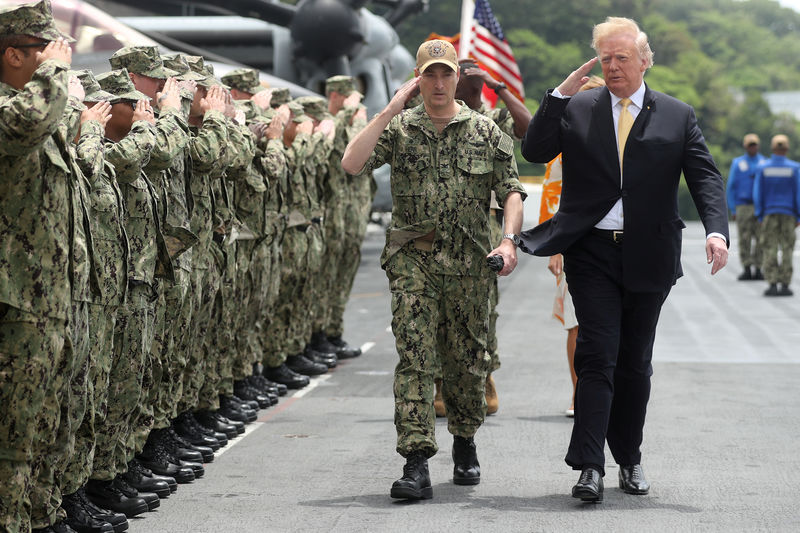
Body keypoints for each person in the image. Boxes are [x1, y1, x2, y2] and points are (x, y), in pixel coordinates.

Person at [519, 17, 729, 503]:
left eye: (622, 58)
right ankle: (589, 465)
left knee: (635, 364)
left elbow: (705, 178)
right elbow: (534, 149)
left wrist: (716, 230)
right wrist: (557, 95)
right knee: (597, 354)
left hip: (650, 253)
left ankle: (628, 458)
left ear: (644, 61)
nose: (613, 67)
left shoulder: (677, 115)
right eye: (605, 58)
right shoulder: (580, 106)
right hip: (590, 250)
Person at [342, 39, 526, 500]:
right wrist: (387, 109)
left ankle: (464, 441)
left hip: (470, 264)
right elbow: (351, 163)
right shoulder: (401, 129)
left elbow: (511, 190)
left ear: (456, 78)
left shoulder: (484, 131)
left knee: (467, 363)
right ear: (418, 79)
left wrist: (508, 240)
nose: (439, 83)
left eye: (446, 74)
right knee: (417, 360)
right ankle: (416, 460)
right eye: (430, 75)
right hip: (414, 263)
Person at [0, 2, 76, 531]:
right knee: (14, 428)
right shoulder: (14, 108)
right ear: (12, 55)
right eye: (41, 53)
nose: (54, 61)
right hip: (17, 294)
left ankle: (39, 514)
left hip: (46, 292)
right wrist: (53, 74)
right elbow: (25, 124)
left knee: (45, 416)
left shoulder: (37, 103)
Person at [753, 134, 800, 297]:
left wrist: (759, 214)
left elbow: (758, 193)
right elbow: (798, 193)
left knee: (770, 247)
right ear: (787, 148)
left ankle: (772, 283)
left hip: (769, 213)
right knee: (787, 248)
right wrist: (798, 215)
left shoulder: (763, 168)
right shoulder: (794, 168)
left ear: (772, 148)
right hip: (789, 214)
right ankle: (785, 285)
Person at [727, 133, 766, 280]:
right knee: (744, 238)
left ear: (758, 145)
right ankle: (747, 267)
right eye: (750, 145)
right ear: (745, 146)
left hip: (759, 206)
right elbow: (731, 187)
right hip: (743, 206)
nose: (752, 147)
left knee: (761, 238)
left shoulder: (764, 162)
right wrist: (733, 208)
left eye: (754, 144)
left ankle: (758, 267)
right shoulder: (738, 163)